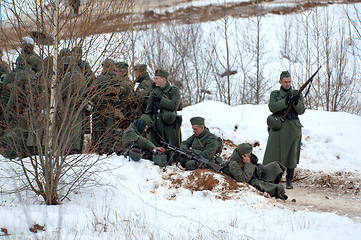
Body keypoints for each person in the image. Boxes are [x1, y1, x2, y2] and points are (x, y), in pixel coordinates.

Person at [262, 71, 305, 189]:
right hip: (279, 127)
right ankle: (274, 177)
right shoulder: (275, 94)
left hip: (293, 128)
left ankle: (289, 180)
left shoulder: (297, 93)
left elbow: (301, 111)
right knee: (275, 154)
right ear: (280, 82)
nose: (287, 84)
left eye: (289, 81)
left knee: (291, 155)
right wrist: (286, 101)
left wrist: (295, 101)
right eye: (285, 82)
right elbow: (272, 107)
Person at [145, 69, 182, 162]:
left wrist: (161, 99)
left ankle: (172, 163)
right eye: (155, 78)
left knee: (170, 145)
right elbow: (148, 111)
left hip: (169, 124)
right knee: (156, 145)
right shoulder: (153, 92)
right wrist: (147, 123)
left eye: (157, 79)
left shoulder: (174, 90)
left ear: (164, 79)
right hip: (156, 123)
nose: (155, 81)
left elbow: (174, 105)